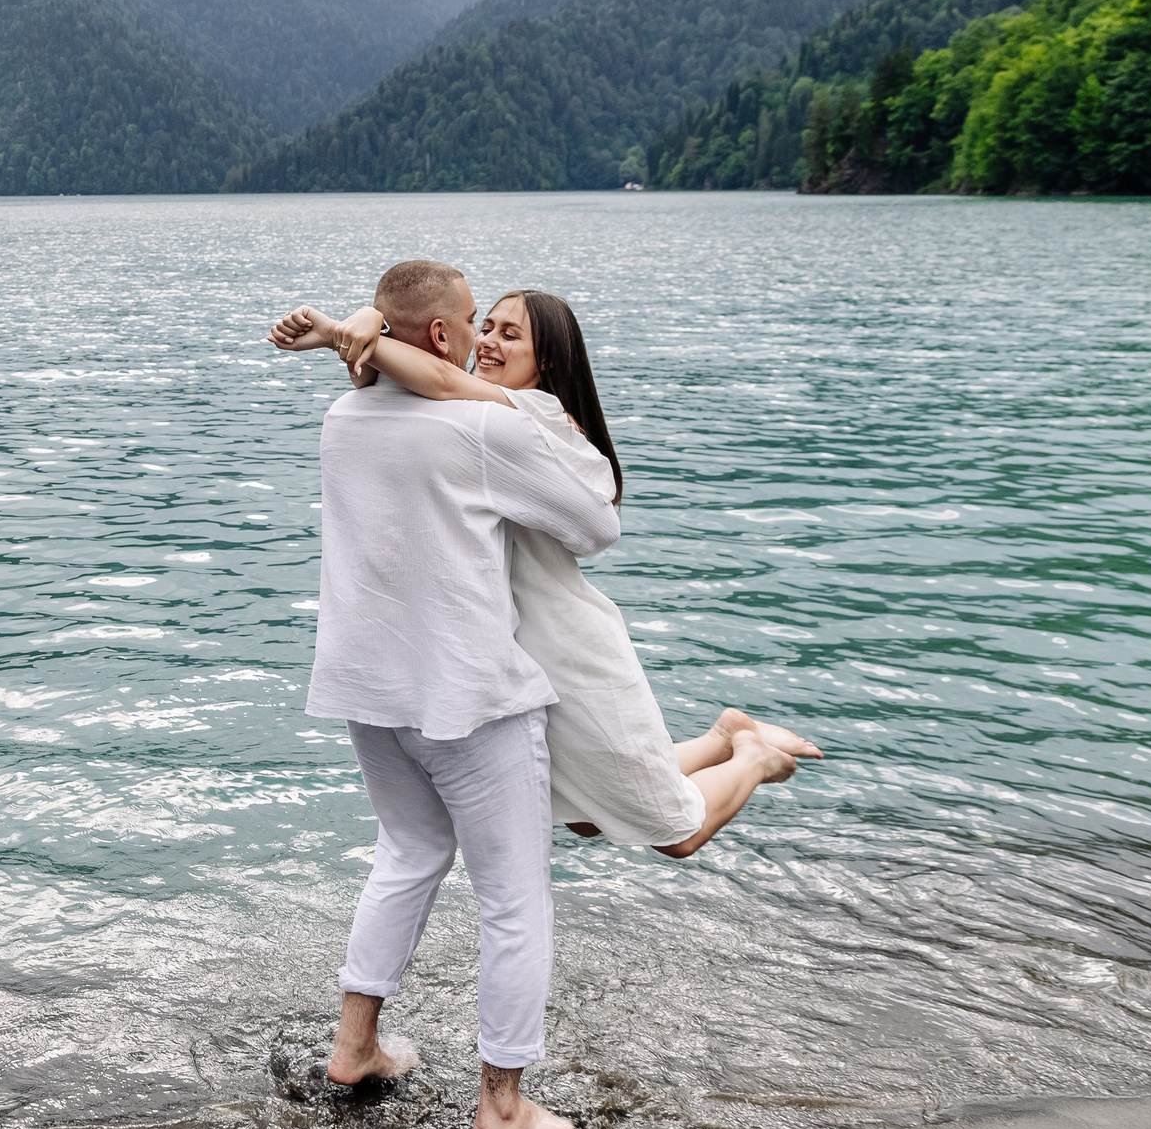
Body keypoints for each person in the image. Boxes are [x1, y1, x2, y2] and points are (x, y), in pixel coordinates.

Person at [268, 288, 820, 859]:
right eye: (487, 327)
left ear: (548, 363)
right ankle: (720, 736)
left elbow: (439, 380)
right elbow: (412, 380)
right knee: (583, 817)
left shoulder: (530, 412)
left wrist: (350, 330)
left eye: (512, 336)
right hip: (514, 657)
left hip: (567, 650)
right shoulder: (467, 417)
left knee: (676, 835)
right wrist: (366, 331)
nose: (487, 342)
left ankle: (752, 756)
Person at [280, 259, 622, 1129]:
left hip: (370, 689)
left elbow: (391, 376)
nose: (481, 338)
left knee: (410, 850)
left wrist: (360, 337)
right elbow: (595, 522)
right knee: (514, 897)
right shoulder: (476, 427)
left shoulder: (342, 416)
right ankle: (503, 1107)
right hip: (471, 698)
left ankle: (355, 1046)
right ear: (440, 337)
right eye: (473, 322)